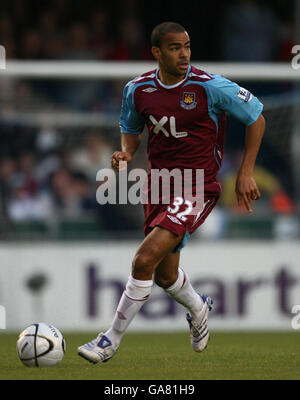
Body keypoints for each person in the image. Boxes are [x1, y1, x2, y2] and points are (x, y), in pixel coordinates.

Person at [78, 22, 265, 363]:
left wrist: (246, 172)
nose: (185, 54)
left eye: (188, 46)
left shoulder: (210, 86)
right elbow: (131, 130)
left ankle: (109, 341)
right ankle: (198, 306)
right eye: (176, 48)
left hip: (198, 185)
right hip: (159, 185)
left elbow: (257, 117)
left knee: (143, 260)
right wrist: (126, 152)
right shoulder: (137, 90)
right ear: (157, 52)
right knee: (164, 274)